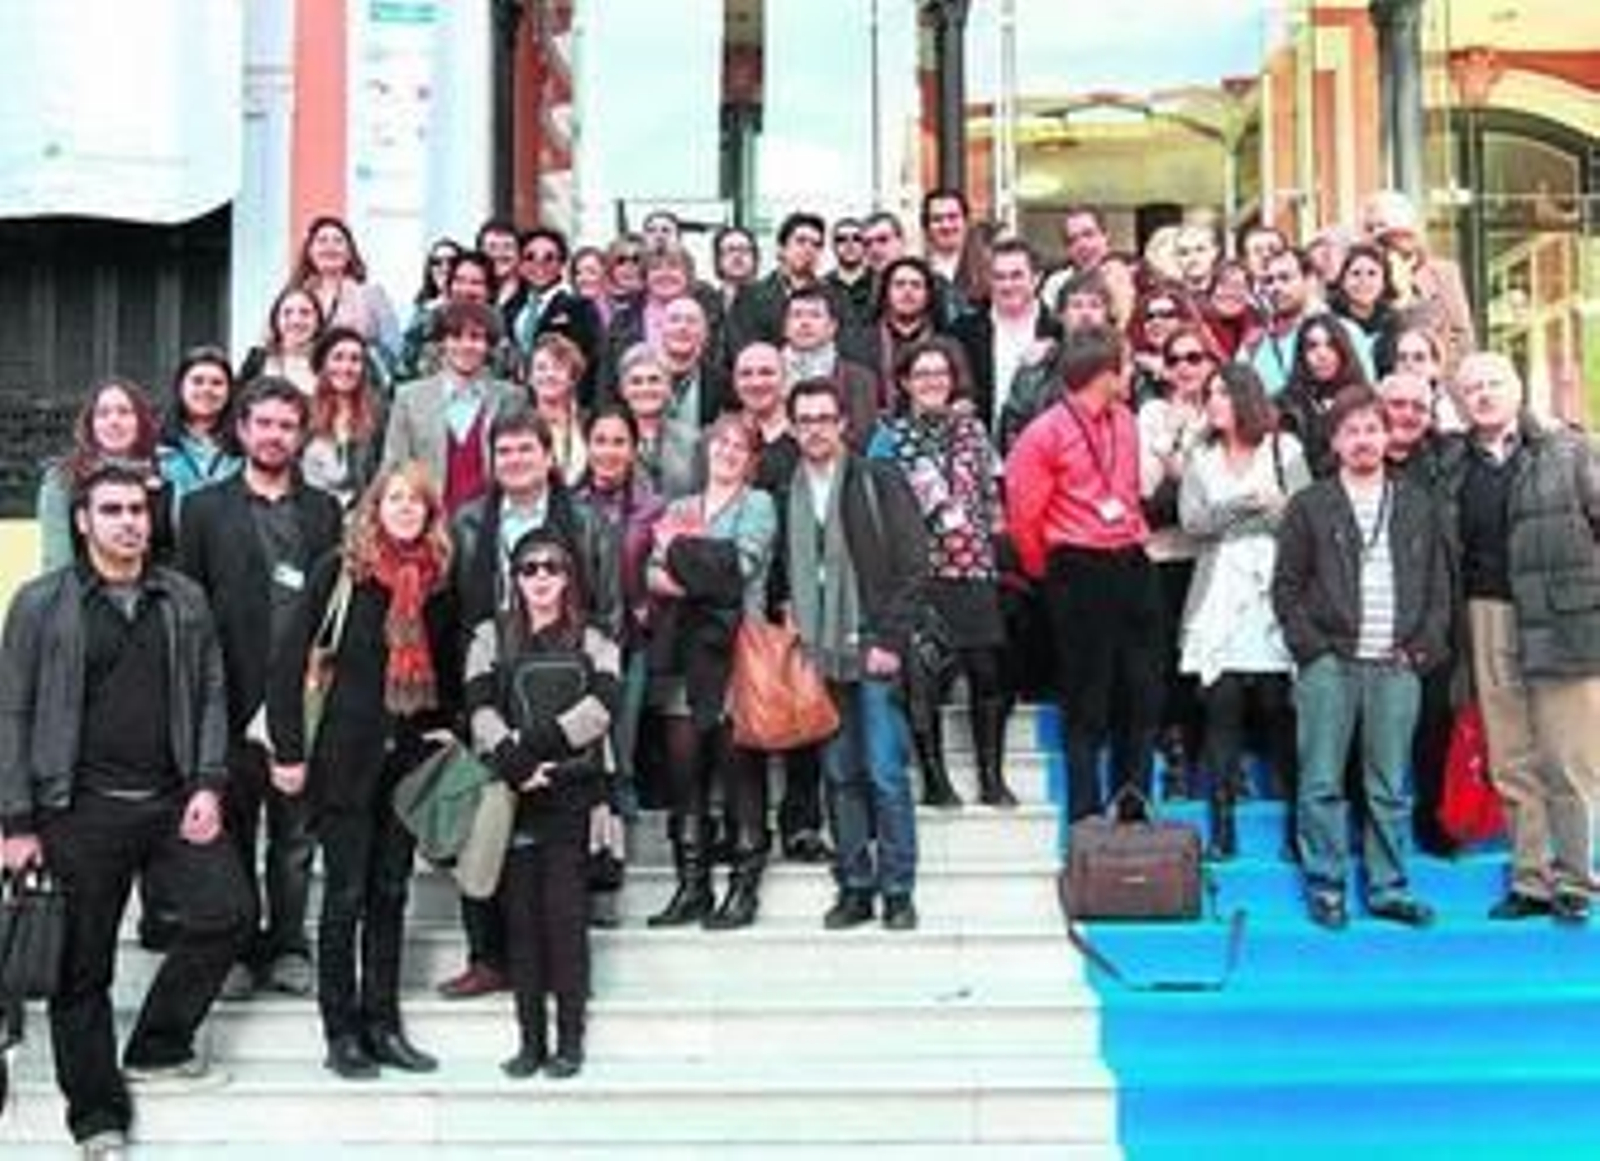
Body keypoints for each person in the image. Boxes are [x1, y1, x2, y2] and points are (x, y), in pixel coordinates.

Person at [0, 460, 252, 1155]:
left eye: (138, 510)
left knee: (228, 912)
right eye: (111, 510)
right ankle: (97, 1114)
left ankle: (159, 1042)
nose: (128, 522)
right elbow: (11, 711)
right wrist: (16, 821)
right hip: (76, 809)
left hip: (172, 801)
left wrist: (206, 782)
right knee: (83, 970)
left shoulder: (183, 597)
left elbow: (208, 692)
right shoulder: (39, 603)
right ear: (82, 521)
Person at [267, 462, 457, 1079]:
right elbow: (288, 660)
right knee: (345, 895)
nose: (405, 508)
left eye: (416, 501)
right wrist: (290, 751)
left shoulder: (439, 582)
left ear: (431, 513)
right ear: (374, 507)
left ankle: (383, 1024)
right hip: (343, 759)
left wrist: (443, 732)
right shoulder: (340, 572)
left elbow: (450, 671)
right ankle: (341, 1031)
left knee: (392, 893)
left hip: (408, 762)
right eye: (394, 498)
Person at [438, 406, 620, 998]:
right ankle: (486, 955)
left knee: (558, 824)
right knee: (483, 825)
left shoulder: (586, 520)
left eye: (526, 449)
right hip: (492, 679)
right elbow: (458, 609)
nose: (515, 460)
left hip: (566, 686)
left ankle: (555, 952)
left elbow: (610, 606)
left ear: (550, 455)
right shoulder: (468, 522)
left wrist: (595, 677)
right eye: (505, 451)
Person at [177, 376, 345, 997]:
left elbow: (335, 611)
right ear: (243, 429)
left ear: (301, 434)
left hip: (301, 701)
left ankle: (289, 945)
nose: (275, 436)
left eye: (286, 425)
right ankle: (239, 948)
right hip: (229, 695)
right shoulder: (201, 509)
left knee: (296, 837)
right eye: (264, 424)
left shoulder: (324, 511)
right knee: (237, 831)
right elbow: (187, 609)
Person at [1271, 385, 1449, 929]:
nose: (1364, 440)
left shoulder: (1418, 503)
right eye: (1352, 431)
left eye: (1372, 428)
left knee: (1389, 784)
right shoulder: (1310, 505)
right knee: (1322, 779)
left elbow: (1439, 587)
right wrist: (1313, 651)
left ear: (1386, 434)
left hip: (1396, 663)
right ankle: (1326, 884)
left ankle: (1388, 886)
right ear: (1336, 440)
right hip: (1331, 660)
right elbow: (1286, 587)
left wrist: (1420, 650)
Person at [1450, 353, 1600, 923]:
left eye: (1493, 383)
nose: (1483, 394)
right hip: (1487, 612)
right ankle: (1530, 877)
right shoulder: (1453, 463)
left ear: (1516, 390)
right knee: (1511, 754)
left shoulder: (1571, 450)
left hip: (1565, 615)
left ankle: (1576, 879)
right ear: (1460, 400)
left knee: (1572, 756)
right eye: (1471, 387)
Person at [468, 528, 620, 1079]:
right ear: (515, 577)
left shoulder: (596, 637)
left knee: (565, 917)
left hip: (573, 791)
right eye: (528, 568)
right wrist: (515, 764)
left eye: (551, 568)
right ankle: (529, 1041)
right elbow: (478, 706)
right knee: (521, 922)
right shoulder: (490, 635)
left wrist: (534, 750)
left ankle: (570, 1042)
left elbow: (604, 706)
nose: (540, 578)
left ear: (568, 576)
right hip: (512, 794)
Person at [783, 378, 927, 930]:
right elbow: (785, 572)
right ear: (794, 428)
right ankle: (854, 885)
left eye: (825, 418)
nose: (816, 429)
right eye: (806, 420)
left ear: (843, 423)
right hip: (819, 651)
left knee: (885, 771)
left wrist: (889, 641)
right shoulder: (787, 489)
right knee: (839, 773)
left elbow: (914, 564)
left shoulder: (876, 479)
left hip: (871, 643)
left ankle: (897, 889)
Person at [1005, 325, 1162, 823]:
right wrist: (1046, 573)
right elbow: (1024, 515)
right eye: (1127, 363)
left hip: (1130, 560)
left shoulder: (1127, 421)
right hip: (1076, 565)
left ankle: (1133, 795)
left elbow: (1131, 491)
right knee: (1087, 692)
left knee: (1142, 688)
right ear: (1105, 373)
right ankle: (1085, 807)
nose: (1133, 371)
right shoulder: (1043, 432)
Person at [867, 337, 1015, 808]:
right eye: (922, 374)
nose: (932, 382)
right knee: (923, 679)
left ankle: (992, 776)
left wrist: (997, 543)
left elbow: (991, 497)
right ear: (906, 382)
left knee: (989, 673)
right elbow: (873, 507)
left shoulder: (972, 431)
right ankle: (934, 778)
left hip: (974, 568)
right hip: (918, 573)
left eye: (940, 373)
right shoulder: (887, 437)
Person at [645, 412, 778, 928]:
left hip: (736, 650)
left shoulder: (759, 505)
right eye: (718, 443)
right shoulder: (680, 505)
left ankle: (744, 887)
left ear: (751, 459)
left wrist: (681, 553)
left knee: (737, 767)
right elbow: (653, 571)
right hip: (683, 650)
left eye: (738, 446)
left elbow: (738, 568)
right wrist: (692, 565)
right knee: (685, 771)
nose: (726, 452)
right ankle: (692, 886)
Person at [1179, 364, 1310, 858]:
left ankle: (1299, 827)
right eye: (1209, 393)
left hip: (1274, 589)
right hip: (1219, 591)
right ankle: (1222, 826)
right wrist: (1247, 505)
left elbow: (1301, 515)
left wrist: (1264, 507)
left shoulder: (1285, 449)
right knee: (1221, 708)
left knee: (1282, 709)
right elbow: (1194, 522)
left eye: (1221, 393)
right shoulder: (1201, 456)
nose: (1212, 401)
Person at [730, 342, 832, 863]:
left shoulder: (802, 446)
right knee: (743, 718)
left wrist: (795, 597)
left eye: (766, 372)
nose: (756, 381)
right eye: (746, 372)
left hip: (791, 601)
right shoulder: (724, 440)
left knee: (799, 708)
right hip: (735, 601)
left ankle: (801, 821)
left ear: (785, 376)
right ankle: (743, 828)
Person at [572, 404, 668, 819]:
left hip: (632, 636)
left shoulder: (654, 507)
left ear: (633, 448)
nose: (609, 451)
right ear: (587, 445)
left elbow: (665, 567)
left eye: (618, 442)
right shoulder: (567, 503)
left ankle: (621, 792)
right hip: (578, 637)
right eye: (600, 441)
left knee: (624, 732)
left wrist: (648, 603)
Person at [1137, 326, 1216, 798]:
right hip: (1164, 552)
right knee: (1168, 656)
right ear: (1164, 368)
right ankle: (1177, 754)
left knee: (1212, 658)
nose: (1187, 368)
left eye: (1195, 357)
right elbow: (1148, 490)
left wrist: (1178, 466)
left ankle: (1218, 758)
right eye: (1177, 359)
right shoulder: (1151, 414)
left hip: (1213, 555)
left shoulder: (1225, 410)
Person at [383, 300, 521, 514]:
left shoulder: (511, 397)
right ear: (442, 344)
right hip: (429, 523)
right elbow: (394, 467)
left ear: (488, 346)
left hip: (492, 524)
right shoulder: (409, 398)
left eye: (476, 337)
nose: (466, 346)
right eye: (456, 337)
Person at [38, 377, 169, 571]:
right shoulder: (62, 479)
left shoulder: (166, 472)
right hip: (85, 594)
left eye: (124, 412)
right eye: (103, 413)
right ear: (90, 423)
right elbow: (57, 560)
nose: (114, 421)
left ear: (140, 420)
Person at [949, 237, 1060, 434]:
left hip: (1044, 449)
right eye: (999, 277)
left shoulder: (1059, 331)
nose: (1007, 285)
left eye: (1016, 276)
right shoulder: (962, 331)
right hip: (979, 449)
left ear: (1037, 278)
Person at [508, 226, 604, 406]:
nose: (539, 264)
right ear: (520, 264)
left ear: (561, 264)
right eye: (530, 257)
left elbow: (592, 363)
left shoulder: (579, 307)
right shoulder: (512, 308)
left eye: (549, 258)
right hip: (520, 403)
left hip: (566, 404)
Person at [292, 215, 401, 372]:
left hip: (359, 385)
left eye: (338, 241)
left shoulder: (372, 295)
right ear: (309, 251)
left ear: (350, 252)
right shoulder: (294, 298)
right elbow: (272, 343)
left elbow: (395, 350)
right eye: (322, 240)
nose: (330, 247)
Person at [1276, 311, 1374, 478]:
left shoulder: (1366, 399)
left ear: (1343, 349)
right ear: (1301, 354)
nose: (1322, 355)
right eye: (1312, 346)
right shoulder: (1284, 405)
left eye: (1330, 345)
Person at [300, 326, 387, 509]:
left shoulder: (380, 414)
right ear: (323, 364)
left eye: (355, 359)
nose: (346, 367)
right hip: (309, 518)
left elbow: (385, 472)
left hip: (361, 519)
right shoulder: (303, 412)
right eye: (338, 357)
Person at [156, 346, 243, 518]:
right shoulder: (157, 442)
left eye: (217, 383)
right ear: (180, 386)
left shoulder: (244, 442)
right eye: (197, 381)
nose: (207, 390)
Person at [613, 342, 699, 499]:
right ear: (623, 390)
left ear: (667, 387)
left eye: (654, 380)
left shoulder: (693, 441)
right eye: (636, 381)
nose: (645, 388)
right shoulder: (607, 439)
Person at [238, 284, 325, 396]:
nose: (296, 321)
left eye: (305, 313)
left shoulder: (329, 364)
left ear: (318, 321)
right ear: (275, 320)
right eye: (287, 313)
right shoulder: (257, 360)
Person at [528, 332, 590, 484]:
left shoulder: (589, 422)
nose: (549, 374)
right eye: (541, 368)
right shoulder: (519, 424)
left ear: (572, 378)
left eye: (558, 368)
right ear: (529, 377)